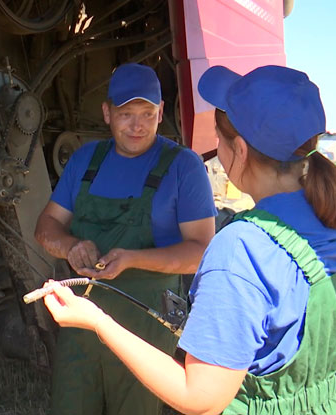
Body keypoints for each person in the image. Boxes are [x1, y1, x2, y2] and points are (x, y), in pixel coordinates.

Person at [41, 65, 336, 415]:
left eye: (219, 138)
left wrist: (97, 321)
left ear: (240, 151)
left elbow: (199, 397)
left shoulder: (243, 246)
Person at [34, 63, 217, 415]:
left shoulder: (183, 166)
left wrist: (132, 258)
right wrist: (70, 246)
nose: (138, 125)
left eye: (148, 113)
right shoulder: (87, 160)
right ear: (106, 112)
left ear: (161, 112)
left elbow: (201, 252)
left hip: (144, 322)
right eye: (126, 113)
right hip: (79, 317)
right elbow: (46, 227)